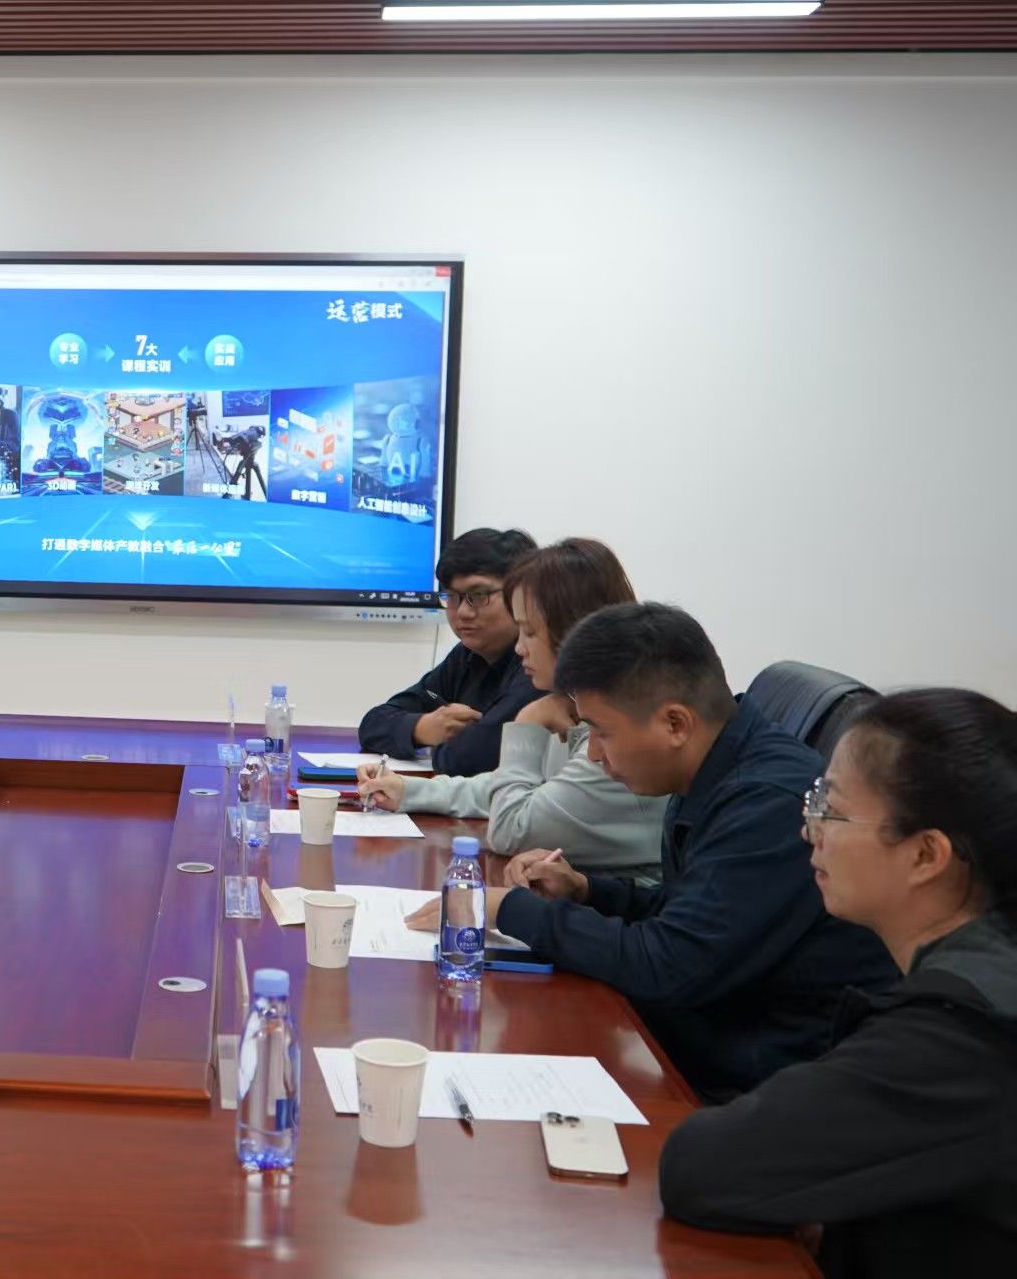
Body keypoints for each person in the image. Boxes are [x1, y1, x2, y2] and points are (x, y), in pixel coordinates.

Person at [430, 602, 897, 1099]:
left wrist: (513, 910)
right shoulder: (715, 764)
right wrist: (587, 891)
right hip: (713, 1039)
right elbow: (691, 911)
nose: (594, 754)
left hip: (767, 1086)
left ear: (675, 723)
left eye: (601, 733)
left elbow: (669, 965)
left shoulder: (767, 804)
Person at [658, 689, 1017, 1275]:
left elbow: (701, 1167)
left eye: (832, 809)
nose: (809, 831)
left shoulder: (958, 1038)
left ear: (926, 855)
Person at [359, 538, 664, 876]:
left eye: (529, 632)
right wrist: (410, 791)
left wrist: (527, 723)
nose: (520, 648)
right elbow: (510, 786)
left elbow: (510, 828)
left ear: (576, 631)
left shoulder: (617, 736)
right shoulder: (570, 705)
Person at [358, 527, 543, 776]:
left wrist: (449, 742)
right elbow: (373, 724)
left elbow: (469, 758)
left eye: (479, 595)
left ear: (521, 593)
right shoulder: (467, 655)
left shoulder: (539, 660)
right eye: (452, 596)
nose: (463, 612)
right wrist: (422, 727)